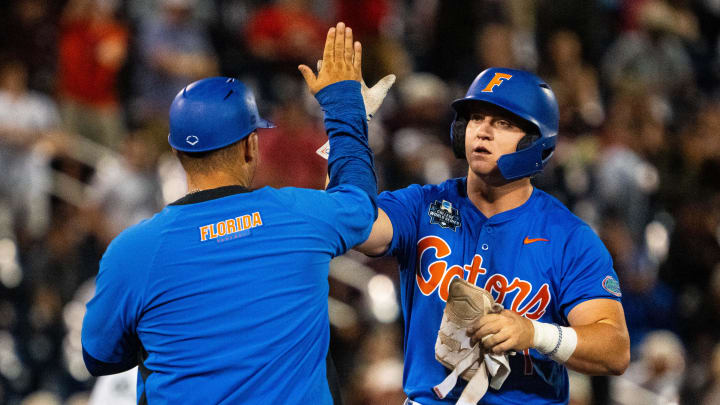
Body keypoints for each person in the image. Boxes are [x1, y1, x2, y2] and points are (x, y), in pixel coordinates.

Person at [82, 22, 378, 404]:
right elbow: (359, 200)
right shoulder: (302, 214)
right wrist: (343, 103)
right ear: (251, 146)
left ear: (177, 154)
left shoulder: (133, 250)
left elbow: (99, 356)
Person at [355, 67, 630, 404]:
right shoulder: (421, 206)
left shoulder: (568, 237)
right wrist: (348, 126)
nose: (482, 131)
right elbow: (353, 225)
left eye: (503, 123)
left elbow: (615, 349)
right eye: (475, 118)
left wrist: (534, 333)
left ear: (535, 141)